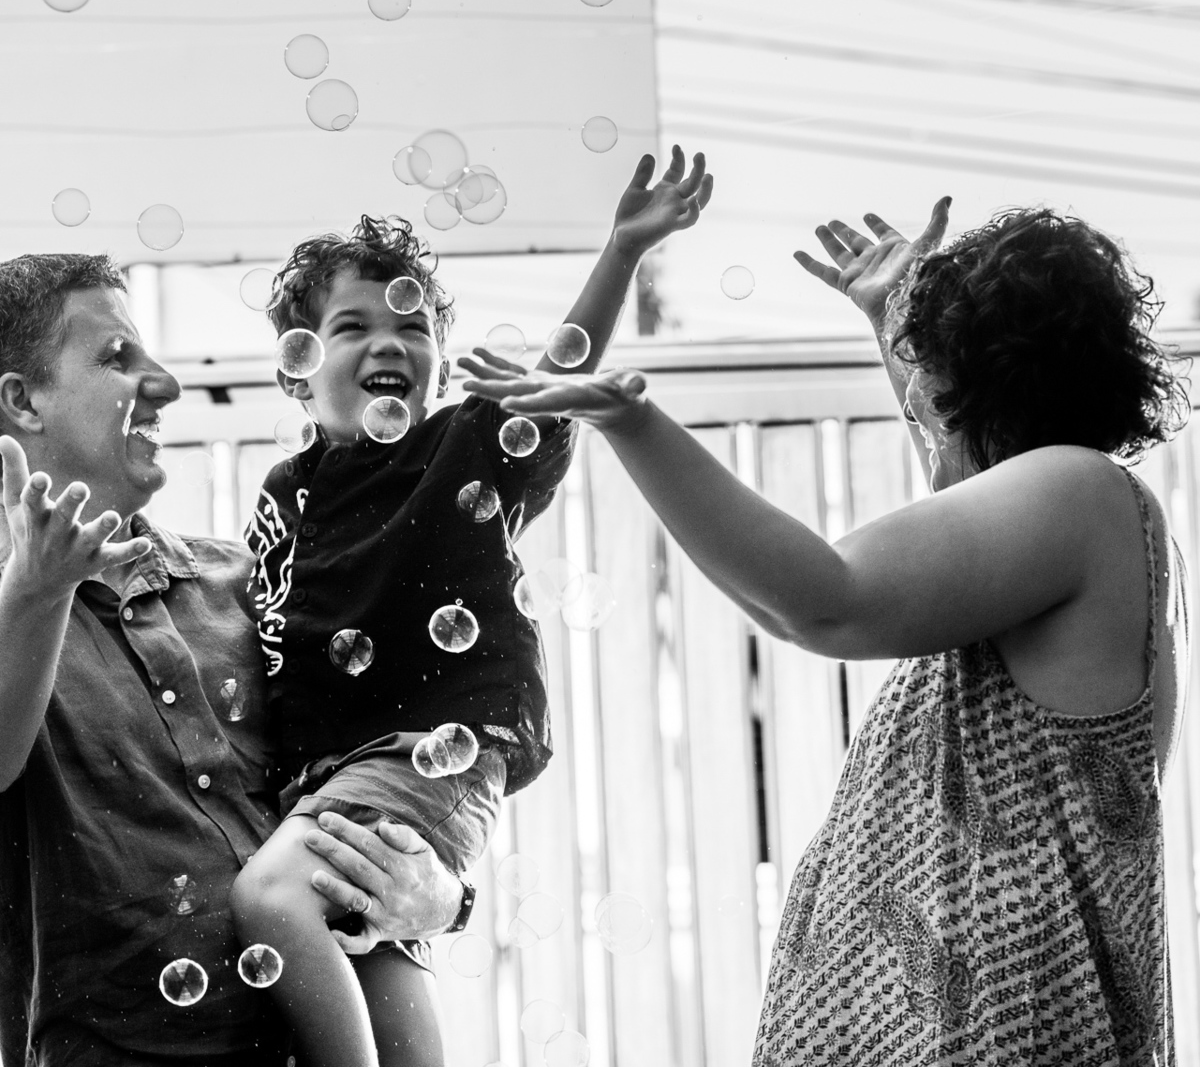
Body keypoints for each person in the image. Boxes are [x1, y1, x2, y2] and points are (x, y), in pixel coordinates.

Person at [463, 198, 1191, 1066]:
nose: (920, 407)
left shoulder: (1075, 492)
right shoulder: (1081, 515)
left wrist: (632, 422)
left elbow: (821, 599)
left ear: (981, 375)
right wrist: (893, 326)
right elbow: (958, 506)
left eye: (932, 385)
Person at [232, 147, 712, 1067]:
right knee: (374, 957)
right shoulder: (284, 492)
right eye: (351, 325)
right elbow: (271, 632)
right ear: (298, 371)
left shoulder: (466, 443)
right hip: (332, 777)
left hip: (427, 751)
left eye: (411, 326)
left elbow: (558, 373)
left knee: (269, 897)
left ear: (441, 364)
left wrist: (622, 250)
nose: (388, 343)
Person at [0, 252, 486, 1067]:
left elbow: (378, 776)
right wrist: (36, 591)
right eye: (117, 357)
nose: (166, 384)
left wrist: (442, 896)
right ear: (22, 400)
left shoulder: (261, 583)